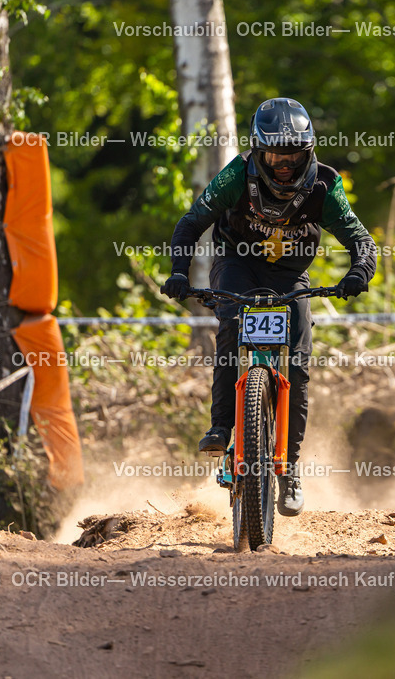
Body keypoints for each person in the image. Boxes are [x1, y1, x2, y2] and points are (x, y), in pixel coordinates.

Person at [160, 97, 377, 516]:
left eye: (293, 154)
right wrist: (179, 273)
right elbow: (192, 222)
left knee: (297, 366)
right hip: (237, 265)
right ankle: (221, 426)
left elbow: (361, 240)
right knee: (228, 332)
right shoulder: (236, 176)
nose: (284, 163)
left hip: (290, 276)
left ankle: (289, 468)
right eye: (276, 153)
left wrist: (358, 274)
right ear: (259, 150)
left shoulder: (324, 186)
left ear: (308, 151)